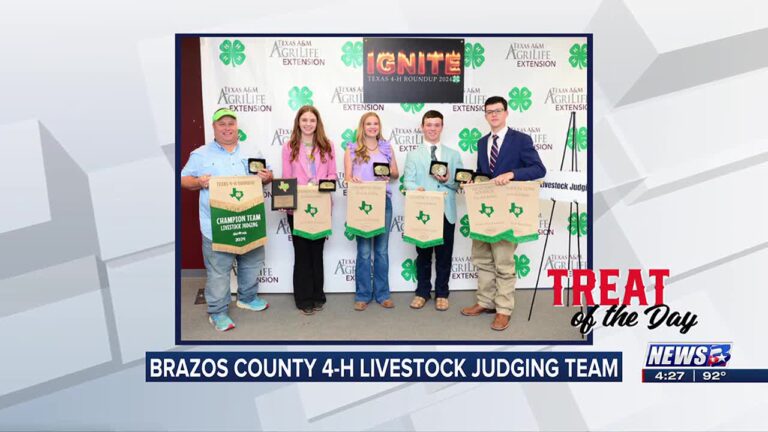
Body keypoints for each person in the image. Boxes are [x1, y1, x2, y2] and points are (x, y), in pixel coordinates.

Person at [181, 108, 274, 332]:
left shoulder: (252, 150)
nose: (227, 128)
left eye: (230, 123)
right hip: (217, 224)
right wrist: (199, 182)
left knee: (252, 262)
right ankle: (218, 311)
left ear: (237, 127)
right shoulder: (200, 154)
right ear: (213, 127)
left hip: (248, 220)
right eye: (221, 124)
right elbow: (184, 180)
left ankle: (247, 297)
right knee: (219, 270)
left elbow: (268, 176)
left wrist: (267, 177)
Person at [461, 96, 546, 331]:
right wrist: (471, 180)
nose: (494, 115)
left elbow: (539, 169)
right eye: (489, 112)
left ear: (506, 113)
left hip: (508, 212)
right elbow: (483, 173)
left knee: (504, 262)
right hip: (484, 212)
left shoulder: (521, 139)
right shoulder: (481, 143)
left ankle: (503, 310)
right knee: (483, 259)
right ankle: (485, 302)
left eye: (498, 111)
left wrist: (512, 174)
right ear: (485, 115)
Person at [402, 110, 463, 311]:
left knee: (445, 255)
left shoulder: (454, 155)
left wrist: (449, 181)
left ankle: (442, 293)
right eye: (429, 125)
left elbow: (460, 185)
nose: (432, 129)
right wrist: (416, 189)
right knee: (424, 254)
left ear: (442, 127)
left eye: (437, 125)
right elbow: (407, 181)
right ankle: (422, 292)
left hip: (446, 211)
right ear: (422, 127)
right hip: (423, 212)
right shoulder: (413, 154)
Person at [282, 105, 338, 315]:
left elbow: (332, 176)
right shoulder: (289, 147)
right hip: (297, 209)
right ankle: (303, 298)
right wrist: (287, 200)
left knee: (317, 253)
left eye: (312, 120)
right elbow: (287, 178)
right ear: (298, 122)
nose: (308, 124)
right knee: (302, 253)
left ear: (317, 123)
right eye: (304, 120)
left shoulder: (327, 145)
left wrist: (320, 183)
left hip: (321, 206)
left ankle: (317, 296)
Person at [344, 112, 399, 311]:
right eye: (369, 124)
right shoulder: (351, 149)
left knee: (382, 251)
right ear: (362, 126)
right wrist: (354, 180)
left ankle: (383, 294)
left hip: (383, 201)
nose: (372, 127)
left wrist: (387, 173)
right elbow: (347, 178)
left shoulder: (386, 147)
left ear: (379, 126)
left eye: (376, 123)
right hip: (361, 203)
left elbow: (395, 173)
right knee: (364, 251)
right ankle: (363, 294)